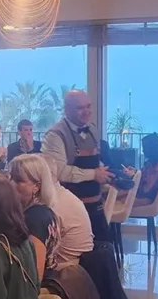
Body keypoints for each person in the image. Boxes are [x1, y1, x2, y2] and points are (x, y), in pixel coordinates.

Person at [42, 89, 113, 241]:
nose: (86, 112)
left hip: (96, 205)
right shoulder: (55, 135)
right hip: (69, 209)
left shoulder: (93, 130)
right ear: (66, 110)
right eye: (80, 108)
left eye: (88, 106)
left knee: (103, 247)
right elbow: (58, 172)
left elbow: (97, 160)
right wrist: (94, 174)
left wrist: (106, 174)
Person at [9, 154, 59, 280]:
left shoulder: (36, 217)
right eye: (10, 178)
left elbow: (35, 276)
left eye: (18, 180)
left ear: (36, 187)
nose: (10, 184)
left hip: (34, 288)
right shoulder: (39, 212)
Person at [123, 133, 158, 207]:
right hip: (144, 198)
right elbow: (145, 178)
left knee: (113, 198)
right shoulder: (156, 164)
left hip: (145, 200)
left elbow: (145, 190)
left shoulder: (157, 168)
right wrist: (135, 172)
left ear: (152, 149)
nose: (143, 150)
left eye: (144, 148)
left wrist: (133, 176)